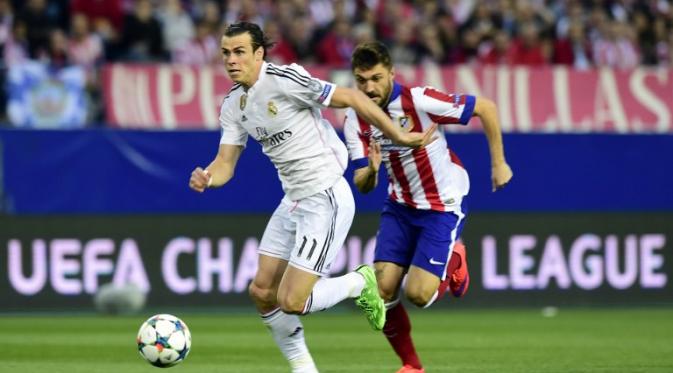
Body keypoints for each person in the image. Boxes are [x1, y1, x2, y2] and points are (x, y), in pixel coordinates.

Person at [188, 22, 436, 373]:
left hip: (325, 195)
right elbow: (226, 162)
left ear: (259, 54)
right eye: (226, 53)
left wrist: (398, 134)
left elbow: (350, 97)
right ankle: (304, 369)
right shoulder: (233, 104)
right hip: (293, 199)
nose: (231, 60)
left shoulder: (285, 80)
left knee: (292, 300)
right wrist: (208, 176)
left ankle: (359, 281)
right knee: (262, 292)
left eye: (240, 52)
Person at [343, 42, 513, 373]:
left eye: (376, 78)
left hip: (441, 204)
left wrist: (499, 163)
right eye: (362, 80)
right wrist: (373, 170)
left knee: (419, 295)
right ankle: (412, 366)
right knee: (383, 290)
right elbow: (362, 183)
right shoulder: (355, 117)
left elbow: (487, 108)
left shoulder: (418, 101)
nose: (369, 87)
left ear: (391, 73)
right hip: (400, 205)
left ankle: (454, 262)